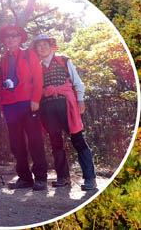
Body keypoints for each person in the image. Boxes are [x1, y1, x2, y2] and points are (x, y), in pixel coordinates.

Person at [31, 34, 96, 191]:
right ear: (36, 50)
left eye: (45, 44)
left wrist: (80, 100)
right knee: (55, 142)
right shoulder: (37, 67)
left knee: (78, 139)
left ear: (50, 45)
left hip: (66, 104)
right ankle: (63, 177)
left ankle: (90, 178)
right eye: (39, 45)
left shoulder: (63, 60)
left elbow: (77, 82)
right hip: (47, 107)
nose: (42, 47)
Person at [0, 24, 48, 191]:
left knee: (35, 141)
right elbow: (1, 83)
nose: (10, 38)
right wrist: (2, 105)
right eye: (8, 36)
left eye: (14, 36)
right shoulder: (3, 59)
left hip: (27, 102)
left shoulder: (28, 54)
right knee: (16, 143)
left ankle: (40, 178)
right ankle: (24, 178)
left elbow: (38, 78)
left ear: (20, 39)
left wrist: (35, 99)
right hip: (10, 106)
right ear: (4, 40)